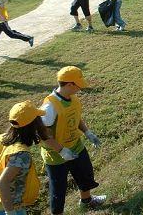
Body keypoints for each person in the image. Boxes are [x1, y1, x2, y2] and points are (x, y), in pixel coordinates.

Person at [40, 66, 106, 214]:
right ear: (69, 84)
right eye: (78, 85)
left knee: (85, 174)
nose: (80, 88)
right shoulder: (50, 106)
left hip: (75, 145)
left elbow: (76, 118)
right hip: (56, 155)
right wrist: (62, 151)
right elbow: (44, 135)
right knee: (58, 188)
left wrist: (87, 132)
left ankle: (87, 201)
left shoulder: (72, 98)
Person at [0, 101, 52, 215]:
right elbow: (2, 183)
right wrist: (10, 212)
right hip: (3, 208)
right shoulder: (21, 154)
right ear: (34, 125)